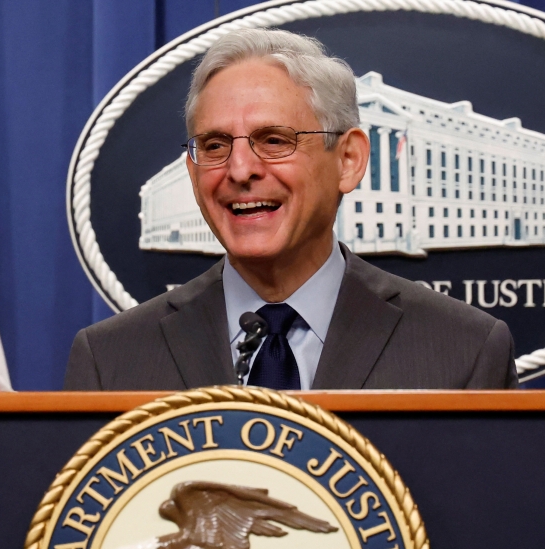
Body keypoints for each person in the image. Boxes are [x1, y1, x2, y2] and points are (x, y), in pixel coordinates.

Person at [65, 28, 517, 391]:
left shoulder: (465, 352)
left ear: (348, 160)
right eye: (216, 145)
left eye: (274, 140)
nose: (240, 169)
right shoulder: (110, 361)